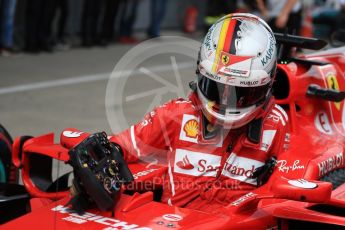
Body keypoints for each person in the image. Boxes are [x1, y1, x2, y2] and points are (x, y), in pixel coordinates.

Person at [107, 13, 290, 214]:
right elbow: (122, 145)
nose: (226, 100)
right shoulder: (177, 114)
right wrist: (99, 159)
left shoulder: (278, 125)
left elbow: (294, 186)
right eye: (216, 87)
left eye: (241, 93)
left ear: (268, 83)